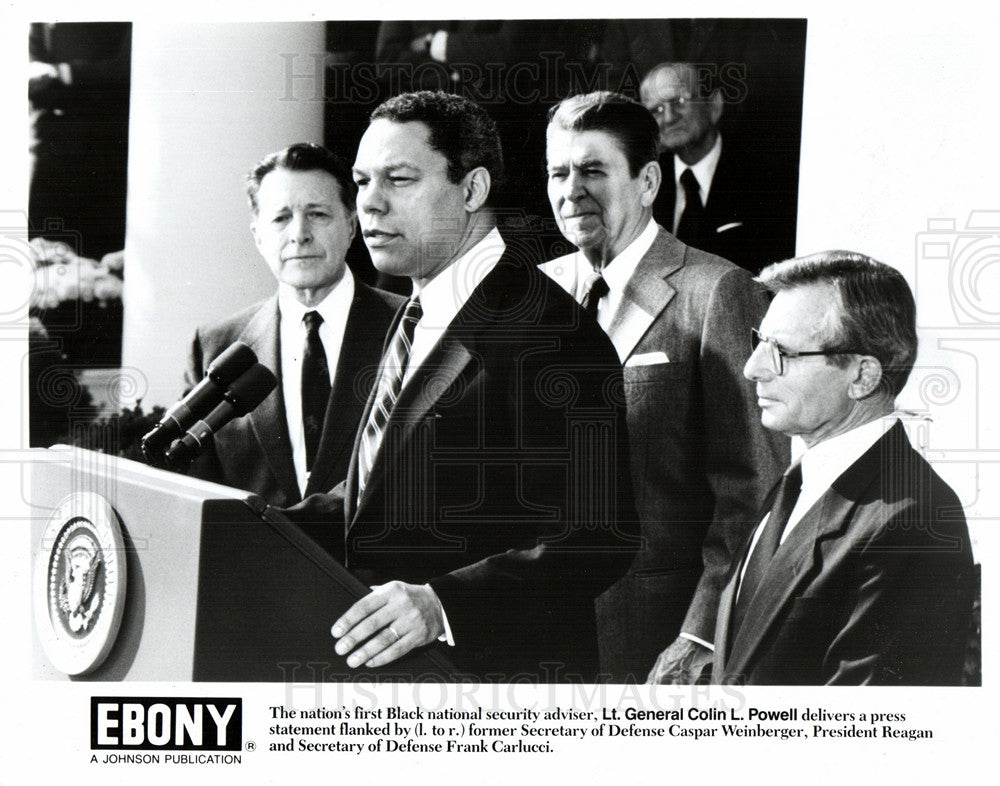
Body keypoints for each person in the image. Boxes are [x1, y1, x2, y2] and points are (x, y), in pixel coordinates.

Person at [284, 91, 637, 680]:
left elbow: (598, 538)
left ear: (472, 191)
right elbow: (385, 482)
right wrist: (241, 523)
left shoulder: (551, 331)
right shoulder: (415, 310)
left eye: (398, 179)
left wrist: (440, 604)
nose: (368, 204)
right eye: (362, 181)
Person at [540, 91, 788, 683]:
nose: (571, 189)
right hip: (536, 627)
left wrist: (701, 633)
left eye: (593, 170)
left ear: (648, 181)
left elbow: (754, 489)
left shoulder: (717, 291)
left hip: (657, 639)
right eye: (558, 171)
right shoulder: (533, 293)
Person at [711, 251, 974, 685]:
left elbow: (864, 735)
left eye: (782, 352)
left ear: (862, 376)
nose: (752, 368)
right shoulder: (797, 483)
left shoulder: (913, 521)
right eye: (759, 342)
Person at [184, 143, 403, 554]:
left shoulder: (410, 326)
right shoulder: (216, 345)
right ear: (258, 235)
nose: (299, 233)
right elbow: (197, 490)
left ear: (351, 224)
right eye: (281, 217)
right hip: (255, 592)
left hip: (379, 592)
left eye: (317, 214)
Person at [640, 62, 798, 275]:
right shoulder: (646, 184)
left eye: (679, 101)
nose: (669, 117)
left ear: (714, 106)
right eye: (656, 110)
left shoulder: (766, 181)